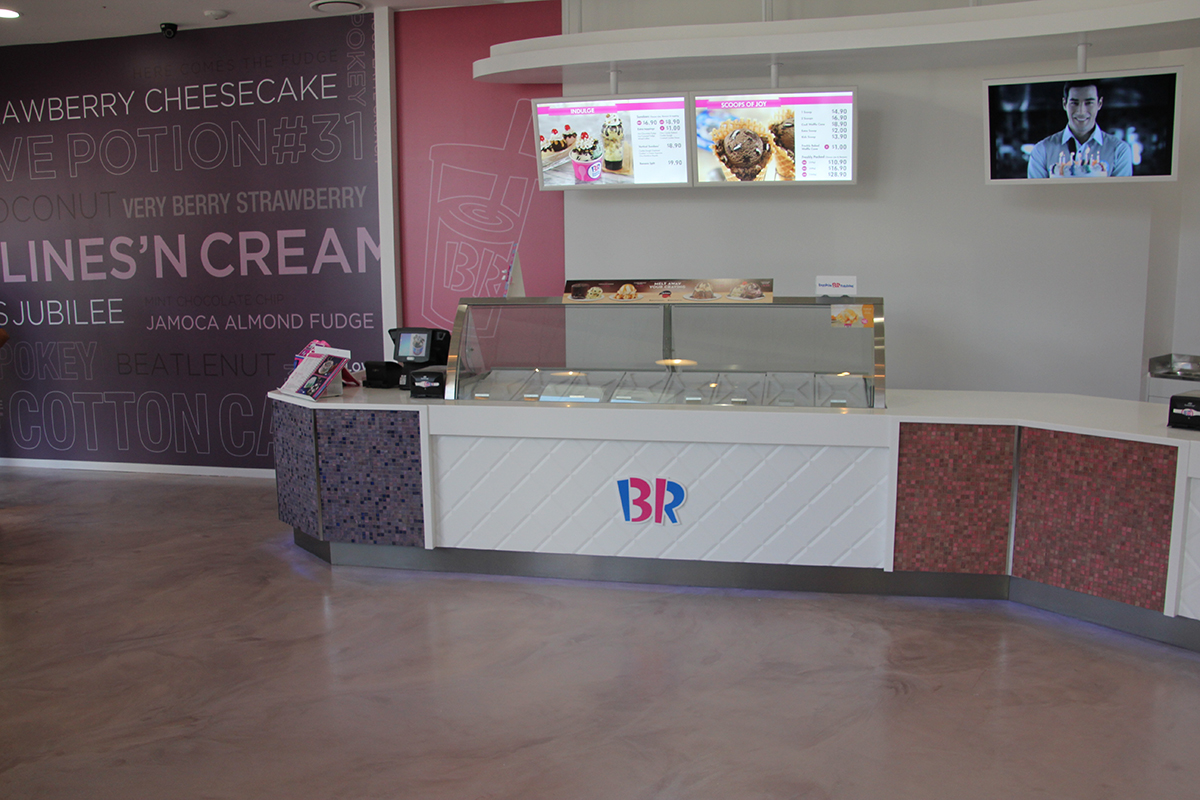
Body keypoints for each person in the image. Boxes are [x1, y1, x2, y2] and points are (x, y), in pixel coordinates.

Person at [1026, 80, 1133, 178]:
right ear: (1064, 104)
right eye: (1074, 103)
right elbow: (1036, 196)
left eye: (1089, 103)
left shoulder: (1119, 151)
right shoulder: (1042, 151)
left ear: (1099, 104)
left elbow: (1120, 196)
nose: (1081, 111)